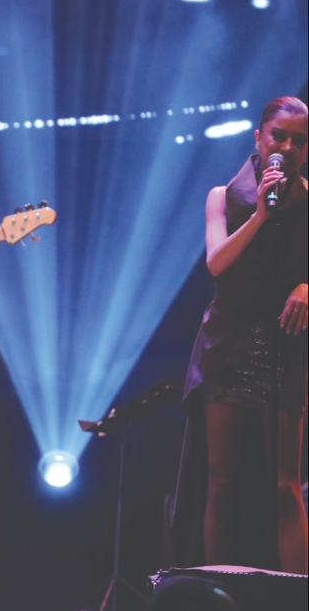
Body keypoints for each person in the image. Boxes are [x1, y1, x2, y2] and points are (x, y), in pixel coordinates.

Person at [173, 96, 308, 574]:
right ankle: (221, 595)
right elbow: (217, 263)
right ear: (259, 138)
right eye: (279, 136)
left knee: (286, 485)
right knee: (222, 483)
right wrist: (259, 217)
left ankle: (297, 593)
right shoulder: (222, 196)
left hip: (283, 344)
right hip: (227, 344)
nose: (287, 147)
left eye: (299, 141)